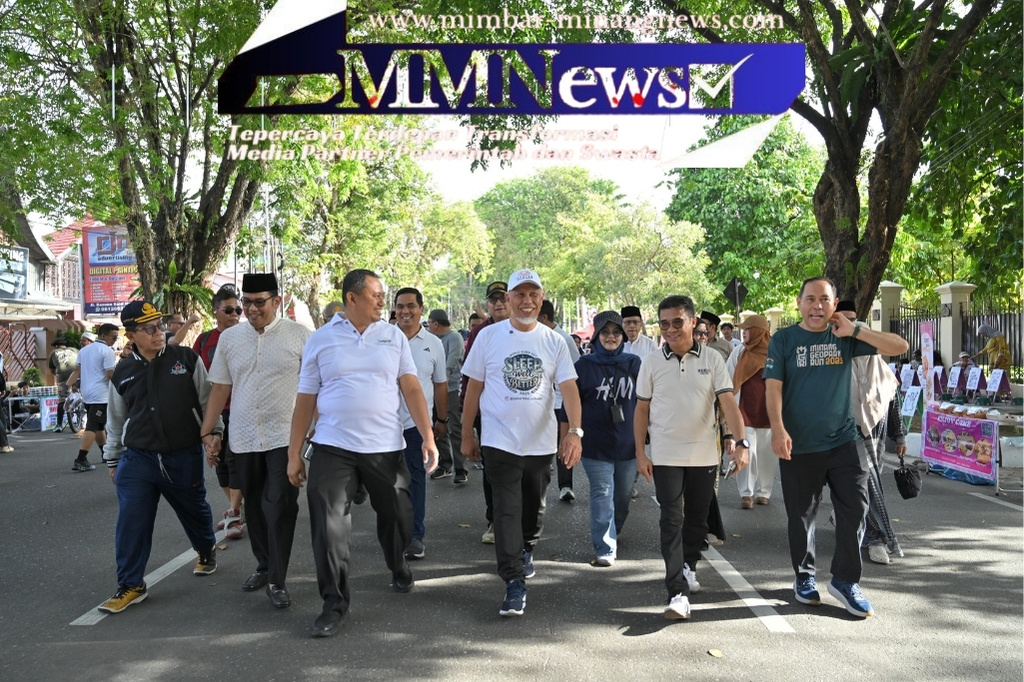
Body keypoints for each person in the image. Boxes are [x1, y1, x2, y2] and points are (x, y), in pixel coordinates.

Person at [286, 268, 439, 638]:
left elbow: (411, 388)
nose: (383, 301)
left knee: (399, 516)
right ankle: (334, 603)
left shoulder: (392, 336)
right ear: (352, 298)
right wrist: (294, 453)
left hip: (385, 447)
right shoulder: (321, 339)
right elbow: (305, 398)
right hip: (333, 446)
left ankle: (397, 562)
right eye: (376, 295)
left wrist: (428, 436)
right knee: (328, 525)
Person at [765, 277, 908, 618]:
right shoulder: (784, 339)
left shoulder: (845, 336)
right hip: (799, 444)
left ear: (834, 303)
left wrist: (856, 330)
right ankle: (804, 575)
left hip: (845, 440)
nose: (817, 306)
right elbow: (773, 388)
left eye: (824, 299)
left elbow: (899, 346)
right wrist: (778, 429)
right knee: (802, 515)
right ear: (799, 302)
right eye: (810, 299)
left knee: (856, 508)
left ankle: (845, 580)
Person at [461, 269, 582, 617]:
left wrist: (575, 432)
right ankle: (513, 581)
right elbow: (473, 388)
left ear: (541, 299)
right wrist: (467, 433)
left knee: (533, 508)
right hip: (499, 440)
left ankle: (527, 546)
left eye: (533, 295)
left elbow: (569, 389)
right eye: (519, 294)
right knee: (506, 510)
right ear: (509, 299)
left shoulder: (554, 341)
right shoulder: (488, 337)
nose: (526, 301)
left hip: (540, 443)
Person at [97, 300, 223, 613]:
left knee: (194, 510)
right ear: (131, 335)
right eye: (149, 328)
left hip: (182, 454)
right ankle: (131, 584)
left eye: (160, 326)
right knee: (132, 519)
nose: (159, 333)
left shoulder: (186, 359)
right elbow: (116, 420)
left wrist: (214, 433)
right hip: (138, 458)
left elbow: (208, 400)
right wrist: (113, 459)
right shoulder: (123, 372)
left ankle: (206, 547)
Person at [200, 273, 311, 609]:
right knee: (256, 508)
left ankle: (277, 579)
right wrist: (207, 431)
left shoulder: (300, 336)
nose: (251, 309)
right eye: (246, 302)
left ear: (276, 301)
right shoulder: (230, 339)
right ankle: (264, 565)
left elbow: (314, 386)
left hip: (285, 437)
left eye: (259, 302)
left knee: (280, 505)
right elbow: (220, 387)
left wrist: (316, 428)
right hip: (244, 438)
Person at [634, 295, 749, 620]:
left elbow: (728, 403)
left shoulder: (712, 359)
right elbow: (641, 410)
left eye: (677, 322)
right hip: (665, 455)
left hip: (704, 456)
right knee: (671, 520)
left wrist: (741, 442)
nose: (670, 329)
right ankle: (677, 592)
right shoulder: (651, 362)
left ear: (693, 322)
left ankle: (688, 565)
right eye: (664, 324)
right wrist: (640, 452)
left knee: (697, 520)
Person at [835, 300, 908, 566]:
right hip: (845, 432)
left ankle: (869, 532)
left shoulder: (880, 367)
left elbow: (893, 400)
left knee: (868, 483)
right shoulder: (836, 361)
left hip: (876, 434)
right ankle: (877, 538)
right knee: (864, 485)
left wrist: (900, 437)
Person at [575, 310, 641, 566]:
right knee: (602, 493)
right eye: (605, 332)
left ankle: (614, 529)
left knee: (622, 497)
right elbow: (571, 405)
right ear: (596, 336)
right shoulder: (583, 366)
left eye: (616, 332)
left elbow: (646, 403)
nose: (610, 337)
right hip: (595, 444)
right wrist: (570, 437)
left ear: (623, 336)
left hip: (628, 444)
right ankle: (605, 547)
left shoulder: (634, 364)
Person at [394, 288, 447, 560]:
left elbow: (440, 385)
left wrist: (440, 419)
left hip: (417, 426)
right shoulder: (382, 338)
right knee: (389, 483)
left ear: (421, 310)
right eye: (400, 306)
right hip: (383, 425)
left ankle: (415, 536)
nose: (405, 311)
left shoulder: (433, 344)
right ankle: (394, 533)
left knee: (415, 480)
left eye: (411, 306)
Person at [193, 285, 245, 540]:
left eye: (238, 310)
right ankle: (236, 508)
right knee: (220, 461)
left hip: (243, 409)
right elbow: (194, 377)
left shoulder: (249, 337)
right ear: (215, 311)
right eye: (229, 310)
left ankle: (234, 511)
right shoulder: (204, 341)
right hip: (214, 411)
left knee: (236, 460)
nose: (235, 314)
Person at [461, 281, 511, 541]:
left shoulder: (529, 328)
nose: (499, 303)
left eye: (503, 298)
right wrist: (467, 423)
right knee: (492, 469)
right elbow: (469, 377)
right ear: (488, 305)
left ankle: (523, 522)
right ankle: (494, 521)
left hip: (522, 414)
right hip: (488, 414)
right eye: (494, 300)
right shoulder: (480, 332)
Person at [725, 314, 775, 509]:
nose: (744, 333)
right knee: (748, 451)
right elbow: (728, 378)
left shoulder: (776, 352)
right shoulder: (740, 352)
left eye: (748, 329)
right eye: (743, 330)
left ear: (759, 332)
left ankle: (764, 492)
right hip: (744, 411)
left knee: (767, 454)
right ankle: (746, 493)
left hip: (769, 413)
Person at [538, 299, 581, 502]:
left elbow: (576, 370)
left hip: (561, 402)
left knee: (564, 443)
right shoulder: (537, 336)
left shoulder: (563, 339)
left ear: (544, 317)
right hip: (542, 402)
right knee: (545, 446)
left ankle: (565, 486)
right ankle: (540, 488)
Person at [65, 323, 119, 472]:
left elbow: (76, 370)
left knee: (99, 426)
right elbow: (110, 375)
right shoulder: (107, 351)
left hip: (87, 393)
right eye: (113, 337)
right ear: (103, 335)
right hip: (101, 395)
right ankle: (81, 459)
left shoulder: (84, 350)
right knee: (92, 426)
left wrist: (66, 386)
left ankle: (105, 453)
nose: (115, 340)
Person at [427, 308, 468, 484]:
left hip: (450, 389)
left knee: (454, 428)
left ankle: (461, 468)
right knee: (438, 426)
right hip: (433, 390)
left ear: (436, 323)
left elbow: (453, 360)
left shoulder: (454, 337)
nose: (428, 326)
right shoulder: (432, 340)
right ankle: (445, 464)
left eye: (429, 323)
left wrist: (442, 379)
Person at [48, 336, 78, 433]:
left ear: (56, 346)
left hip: (63, 377)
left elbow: (52, 371)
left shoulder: (54, 352)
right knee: (83, 395)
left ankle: (59, 425)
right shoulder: (74, 350)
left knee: (61, 400)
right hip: (77, 374)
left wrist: (58, 375)